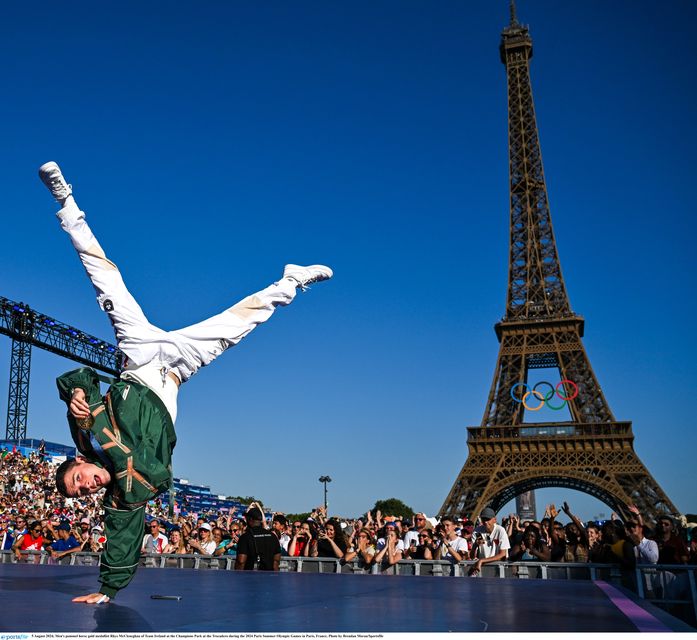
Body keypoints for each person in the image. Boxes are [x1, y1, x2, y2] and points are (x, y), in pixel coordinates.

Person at [40, 161, 332, 603]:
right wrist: (108, 590)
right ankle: (290, 281)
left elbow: (80, 380)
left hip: (138, 359)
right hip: (175, 370)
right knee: (238, 323)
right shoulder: (127, 491)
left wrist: (77, 395)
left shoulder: (83, 433)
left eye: (78, 480)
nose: (87, 488)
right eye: (82, 493)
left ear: (78, 465)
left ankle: (65, 201)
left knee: (105, 277)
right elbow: (126, 527)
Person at [470, 507, 511, 576]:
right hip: (482, 568)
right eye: (483, 519)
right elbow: (472, 557)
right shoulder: (477, 531)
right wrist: (475, 546)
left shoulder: (500, 530)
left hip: (498, 568)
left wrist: (482, 560)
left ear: (494, 520)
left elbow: (502, 554)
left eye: (488, 519)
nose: (485, 522)